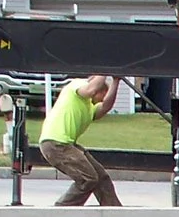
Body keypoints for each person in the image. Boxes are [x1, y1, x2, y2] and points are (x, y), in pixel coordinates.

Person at [38, 75, 122, 207]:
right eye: (102, 95)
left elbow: (106, 106)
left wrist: (116, 81)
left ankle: (114, 211)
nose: (102, 99)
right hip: (55, 143)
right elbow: (90, 90)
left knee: (101, 178)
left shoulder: (90, 108)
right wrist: (105, 71)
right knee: (87, 178)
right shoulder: (75, 87)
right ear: (99, 90)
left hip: (67, 145)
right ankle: (62, 209)